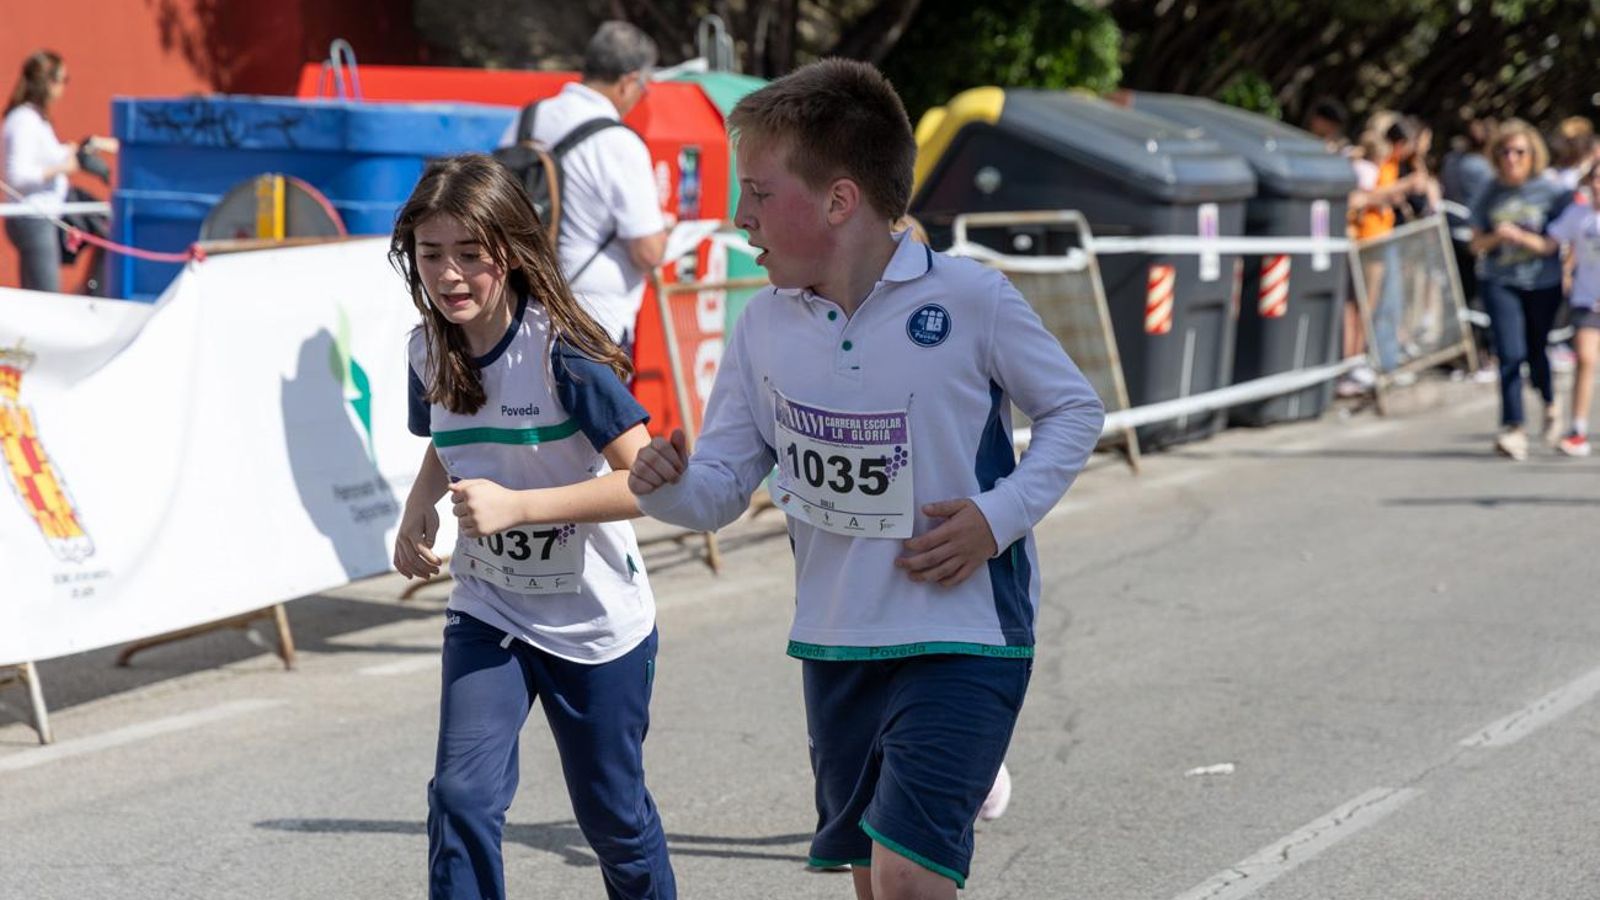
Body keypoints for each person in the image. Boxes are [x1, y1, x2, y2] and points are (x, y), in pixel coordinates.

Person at [628, 59, 1105, 899]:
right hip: (838, 641)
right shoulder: (763, 326)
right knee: (870, 882)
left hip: (966, 632)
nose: (741, 220)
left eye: (760, 195)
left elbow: (1074, 411)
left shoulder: (969, 298)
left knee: (909, 880)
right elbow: (719, 490)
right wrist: (662, 486)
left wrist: (1000, 516)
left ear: (840, 201)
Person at [390, 154, 675, 900]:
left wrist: (519, 509)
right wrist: (419, 501)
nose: (449, 275)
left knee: (613, 820)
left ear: (509, 253)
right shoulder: (427, 350)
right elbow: (450, 433)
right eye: (431, 255)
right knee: (461, 798)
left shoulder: (561, 353)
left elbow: (645, 487)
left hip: (595, 625)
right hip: (491, 608)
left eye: (469, 255)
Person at [498, 21, 669, 353]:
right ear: (629, 81)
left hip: (521, 308)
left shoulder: (529, 118)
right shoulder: (619, 142)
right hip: (593, 322)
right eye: (642, 88)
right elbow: (648, 251)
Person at [1469, 119, 1571, 460]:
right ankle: (1514, 427)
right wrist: (1498, 236)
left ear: (1533, 155)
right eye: (1505, 152)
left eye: (1519, 152)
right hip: (1501, 279)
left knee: (1535, 349)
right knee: (1509, 353)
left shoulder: (1551, 190)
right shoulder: (1489, 190)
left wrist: (1525, 237)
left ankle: (1550, 402)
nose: (1511, 158)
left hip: (1542, 281)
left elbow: (1557, 243)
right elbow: (1475, 243)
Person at [2, 50, 104, 292]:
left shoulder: (37, 120)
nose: (63, 88)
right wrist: (64, 167)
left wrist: (70, 152)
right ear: (46, 83)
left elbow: (43, 157)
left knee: (105, 227)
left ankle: (90, 291)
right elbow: (17, 176)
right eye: (62, 80)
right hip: (34, 217)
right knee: (45, 297)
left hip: (47, 213)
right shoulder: (23, 120)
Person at [1536, 161, 1600, 457]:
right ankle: (1577, 428)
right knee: (1585, 358)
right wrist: (1511, 237)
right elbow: (1550, 243)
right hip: (1587, 300)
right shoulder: (1579, 215)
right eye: (1596, 178)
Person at [1442, 118, 1498, 377]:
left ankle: (1466, 352)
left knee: (1460, 293)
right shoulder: (1482, 168)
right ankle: (1481, 353)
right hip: (1475, 237)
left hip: (1451, 235)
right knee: (1476, 296)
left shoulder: (1451, 161)